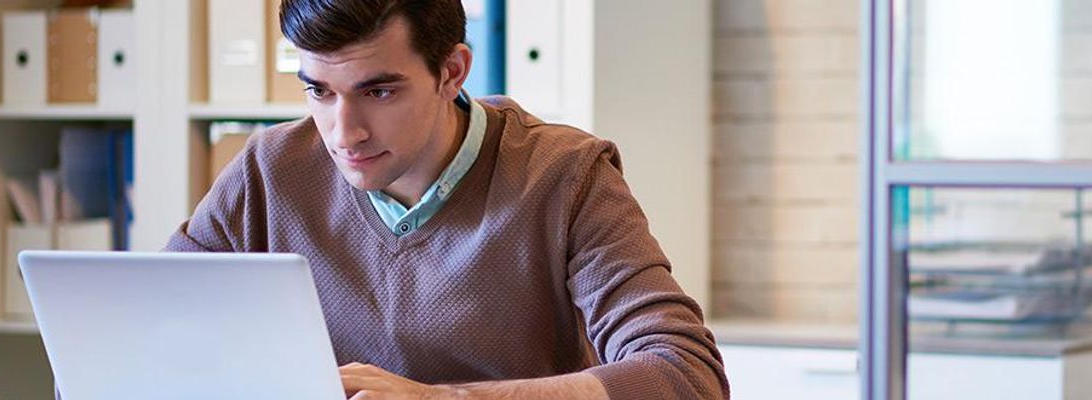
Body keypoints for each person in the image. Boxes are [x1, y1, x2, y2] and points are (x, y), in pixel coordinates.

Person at [166, 0, 728, 398]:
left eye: (378, 91)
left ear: (452, 71)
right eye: (320, 91)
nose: (344, 133)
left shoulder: (565, 175)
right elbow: (142, 325)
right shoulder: (270, 169)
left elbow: (684, 374)